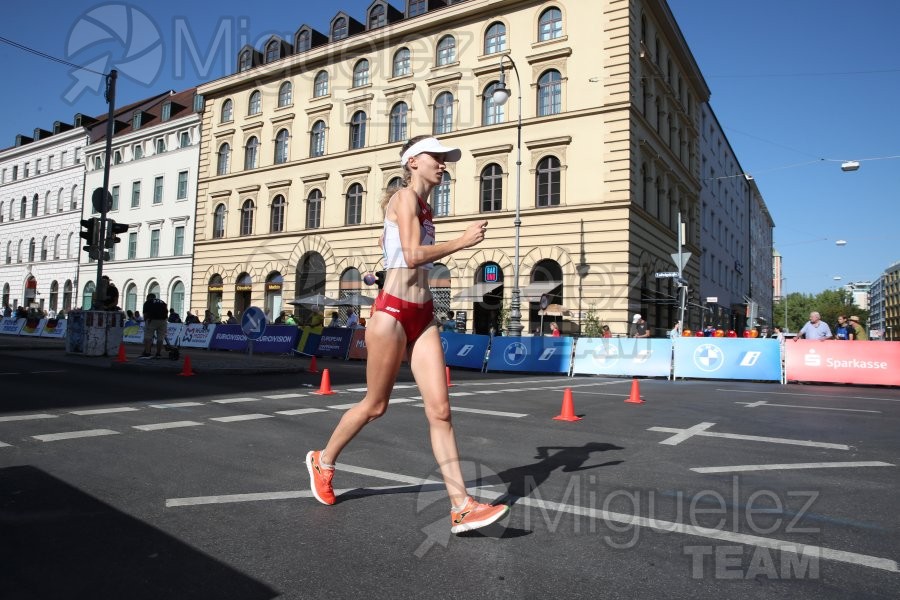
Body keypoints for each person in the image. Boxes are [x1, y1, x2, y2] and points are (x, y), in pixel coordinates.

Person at [306, 135, 508, 533]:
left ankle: (461, 505)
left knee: (441, 411)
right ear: (413, 161)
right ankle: (323, 460)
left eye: (445, 159)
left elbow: (400, 251)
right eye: (437, 157)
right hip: (392, 313)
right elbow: (413, 255)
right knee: (375, 406)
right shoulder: (403, 198)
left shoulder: (424, 207)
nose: (443, 164)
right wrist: (462, 241)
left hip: (423, 313)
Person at [140, 293, 168, 358]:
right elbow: (166, 313)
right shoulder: (162, 302)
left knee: (148, 337)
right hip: (163, 321)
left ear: (148, 298)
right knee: (160, 338)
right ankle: (158, 353)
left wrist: (146, 322)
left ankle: (147, 353)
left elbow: (145, 314)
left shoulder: (147, 302)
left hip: (152, 320)